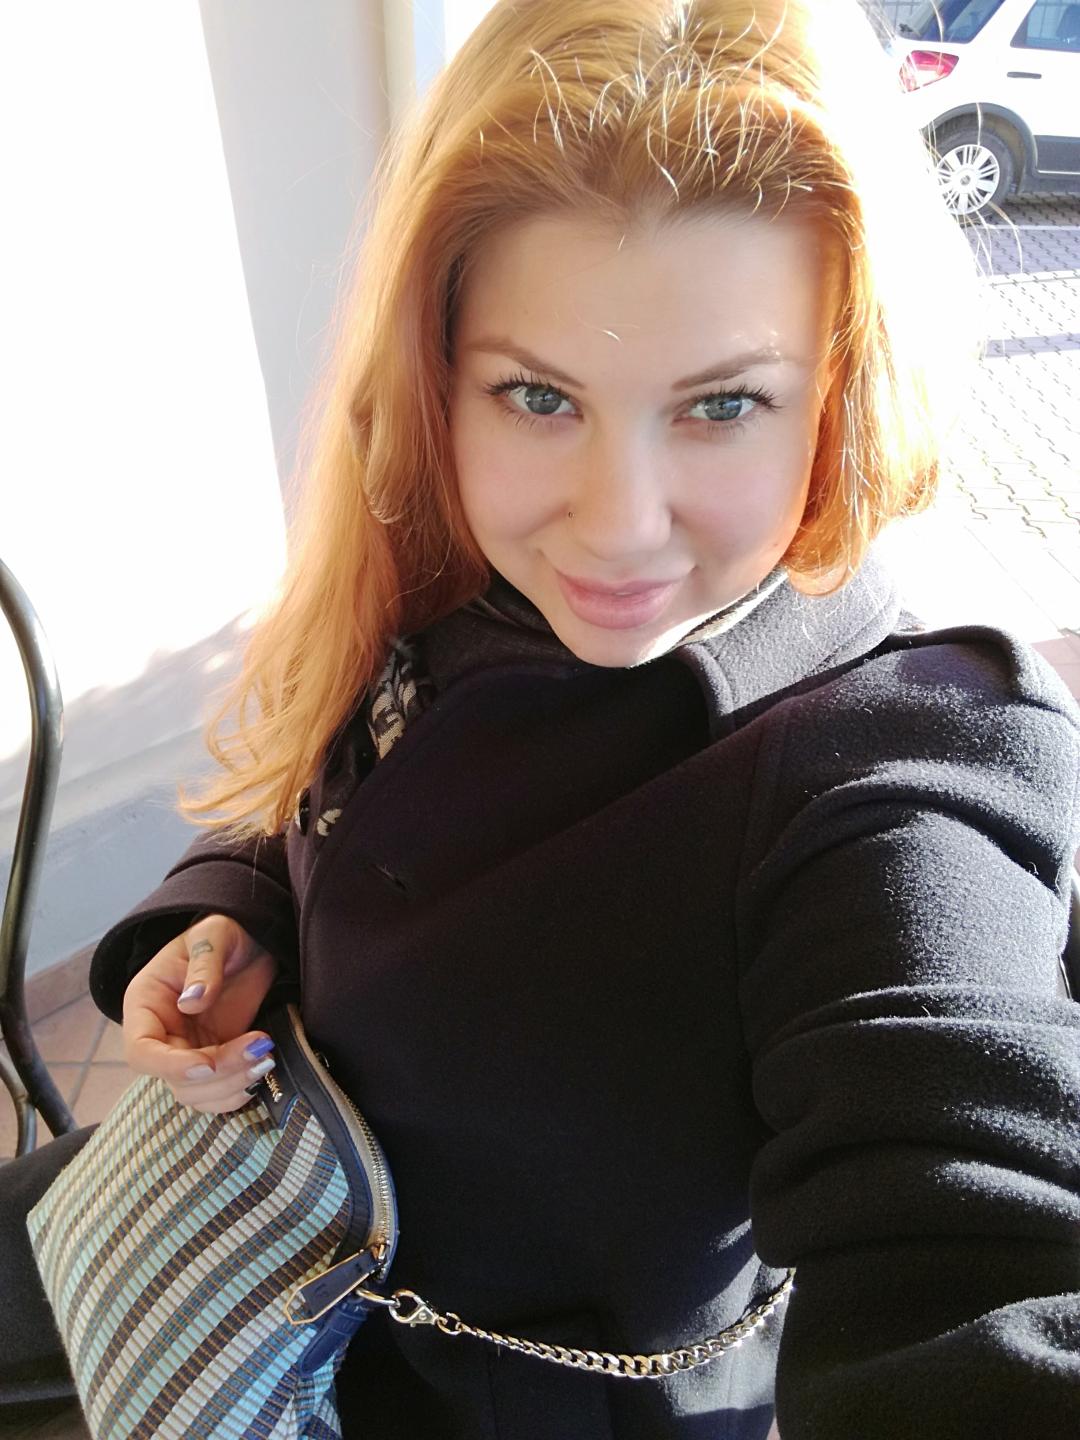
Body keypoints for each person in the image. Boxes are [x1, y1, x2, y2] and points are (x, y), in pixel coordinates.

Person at [4, 1, 1079, 1436]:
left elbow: (970, 1242)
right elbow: (329, 784)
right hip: (256, 1239)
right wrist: (226, 915)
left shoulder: (891, 766)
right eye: (537, 395)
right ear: (436, 374)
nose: (618, 527)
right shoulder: (450, 560)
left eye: (722, 406)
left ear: (841, 389)